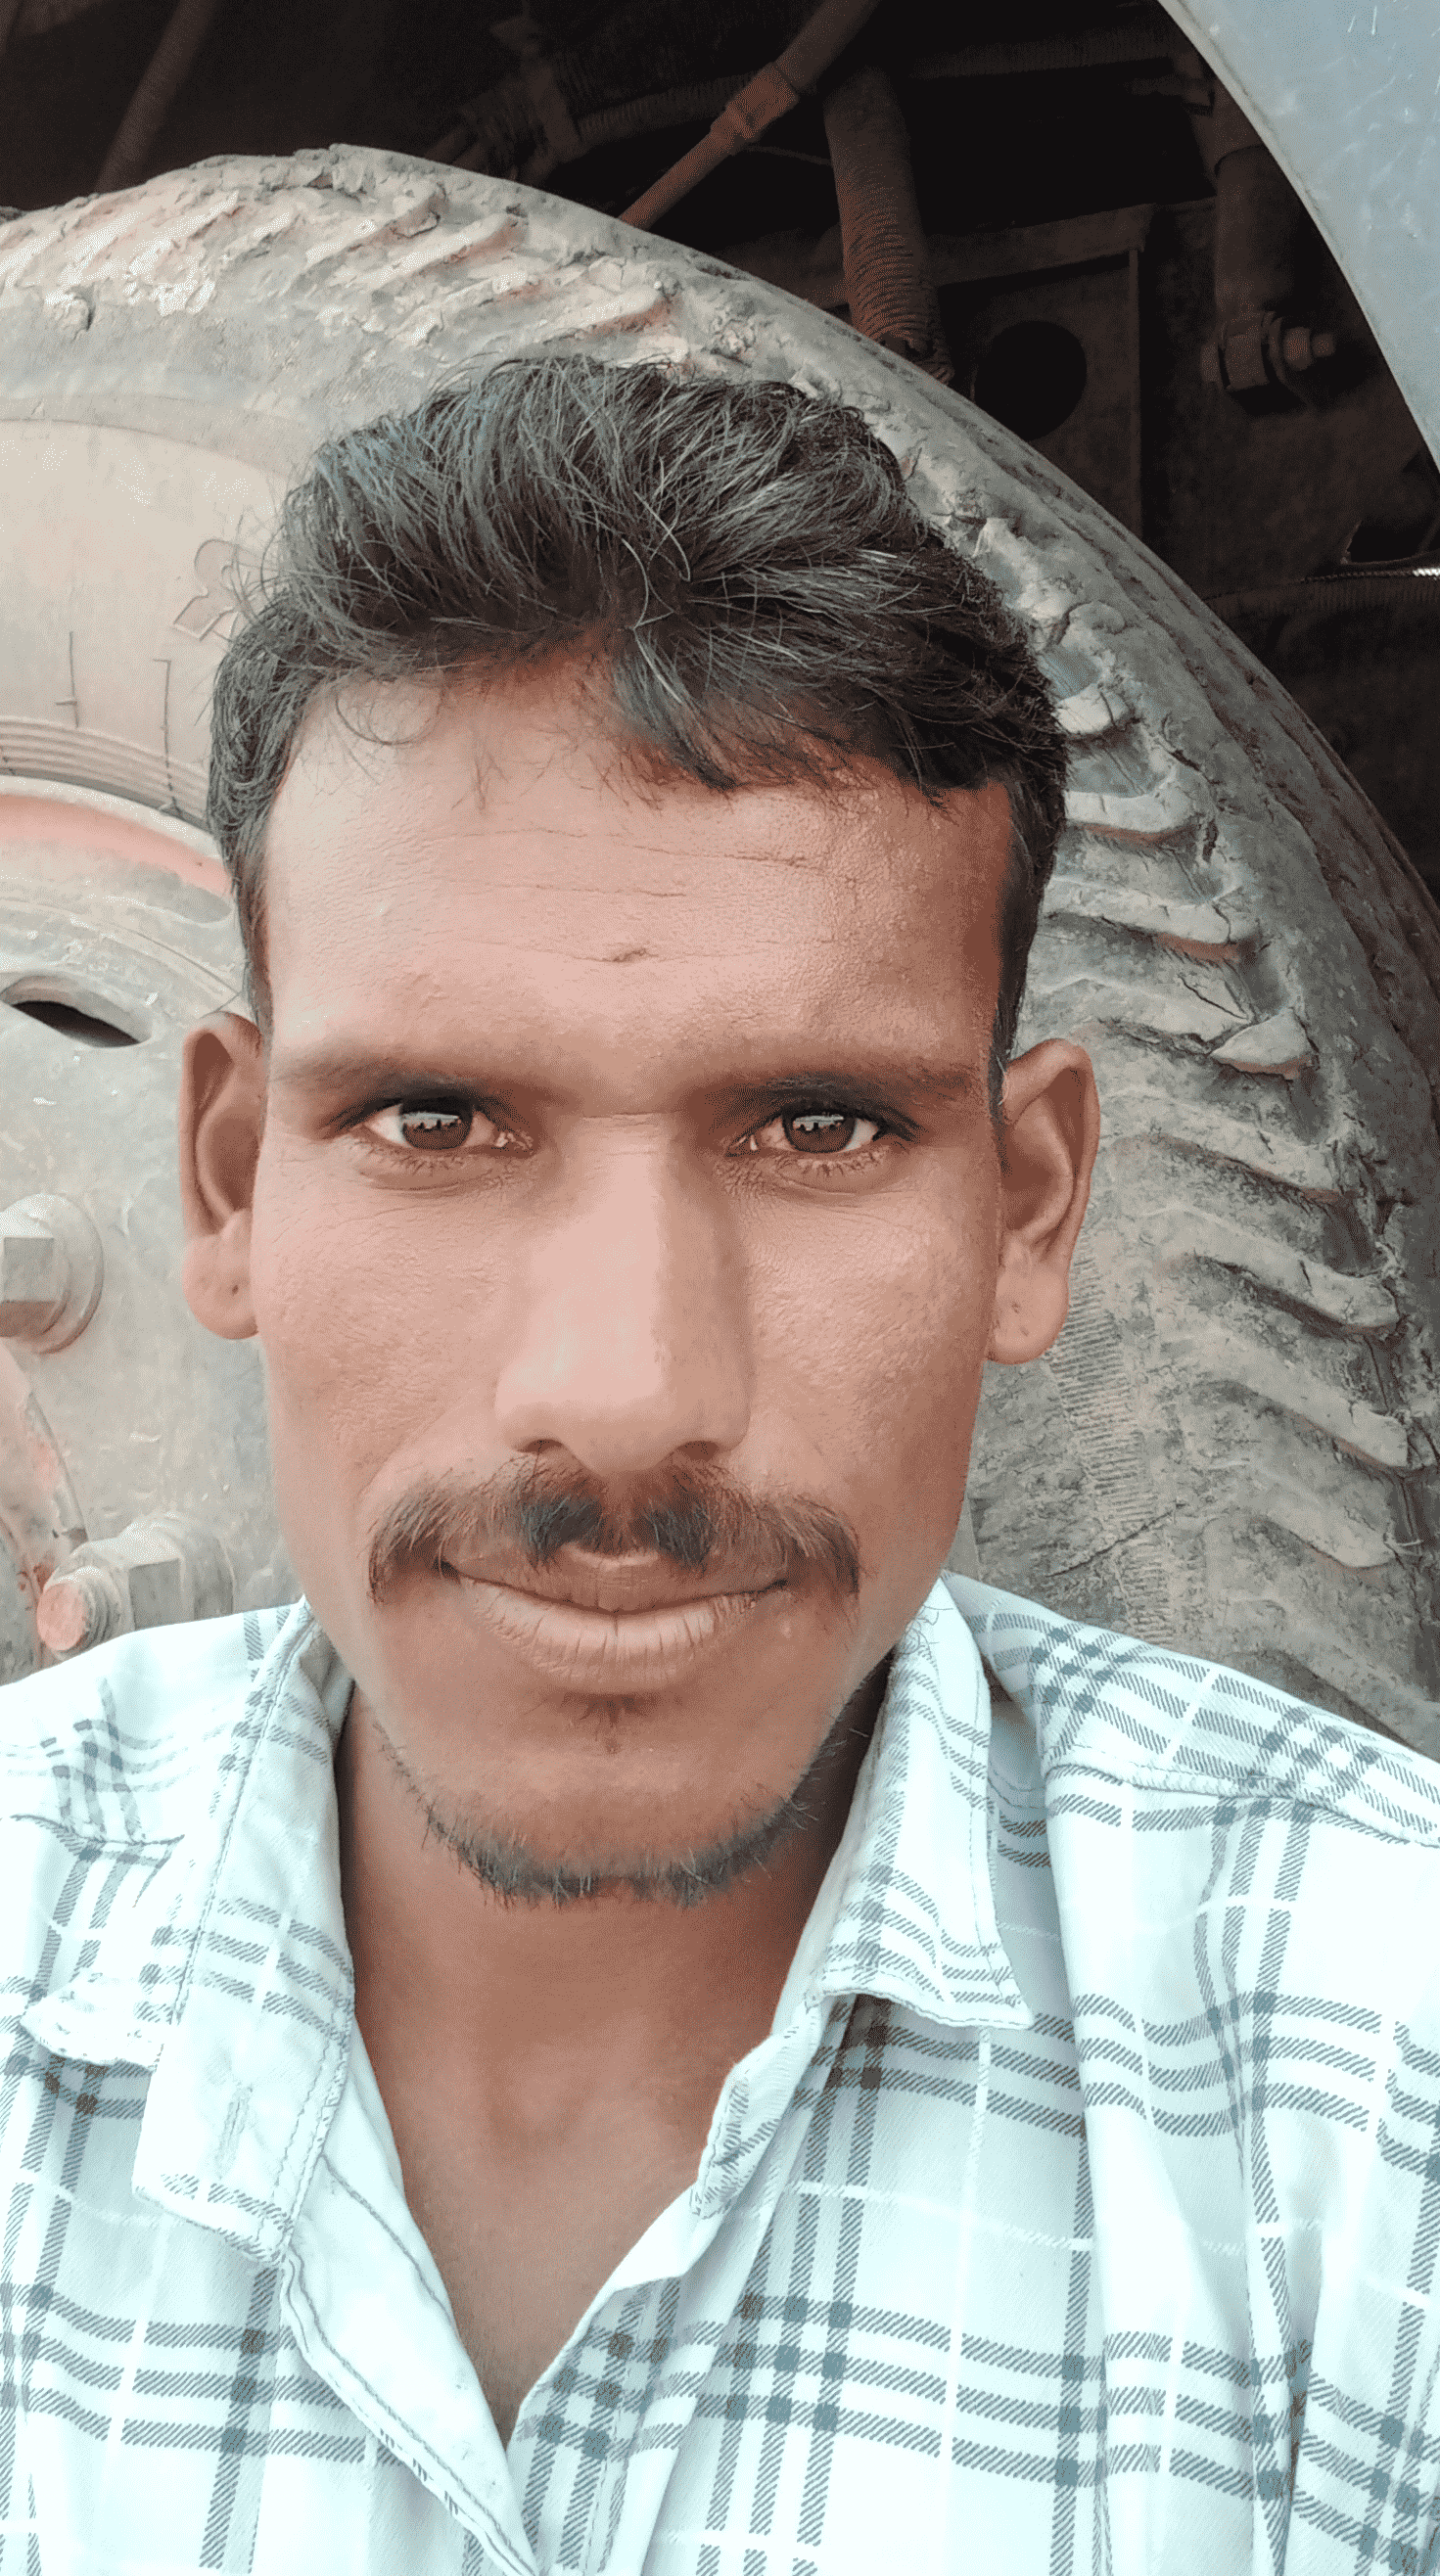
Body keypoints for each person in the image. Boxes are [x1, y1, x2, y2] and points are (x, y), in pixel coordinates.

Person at [3, 351, 1439, 2576]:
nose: (623, 1394)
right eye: (439, 1121)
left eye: (817, 1126)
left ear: (1031, 1210)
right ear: (226, 1179)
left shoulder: (1380, 2074)